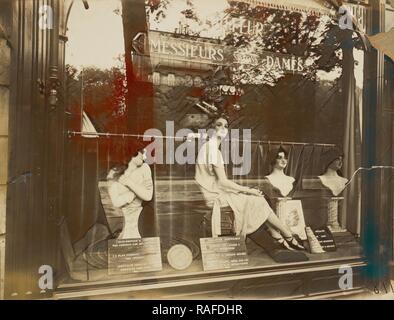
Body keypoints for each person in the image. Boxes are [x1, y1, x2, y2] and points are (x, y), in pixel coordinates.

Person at [195, 115, 305, 251]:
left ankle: (278, 235)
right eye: (219, 125)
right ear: (211, 129)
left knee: (258, 199)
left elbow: (219, 182)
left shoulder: (209, 147)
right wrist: (248, 190)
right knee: (258, 199)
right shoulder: (212, 150)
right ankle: (287, 235)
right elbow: (223, 182)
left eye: (226, 126)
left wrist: (243, 190)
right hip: (215, 197)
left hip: (216, 193)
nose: (223, 128)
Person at [108, 146, 153, 239]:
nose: (144, 156)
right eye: (141, 152)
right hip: (125, 219)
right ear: (132, 154)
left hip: (140, 219)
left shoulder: (145, 168)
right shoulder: (114, 172)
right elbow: (116, 202)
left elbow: (148, 195)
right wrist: (133, 194)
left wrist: (129, 183)